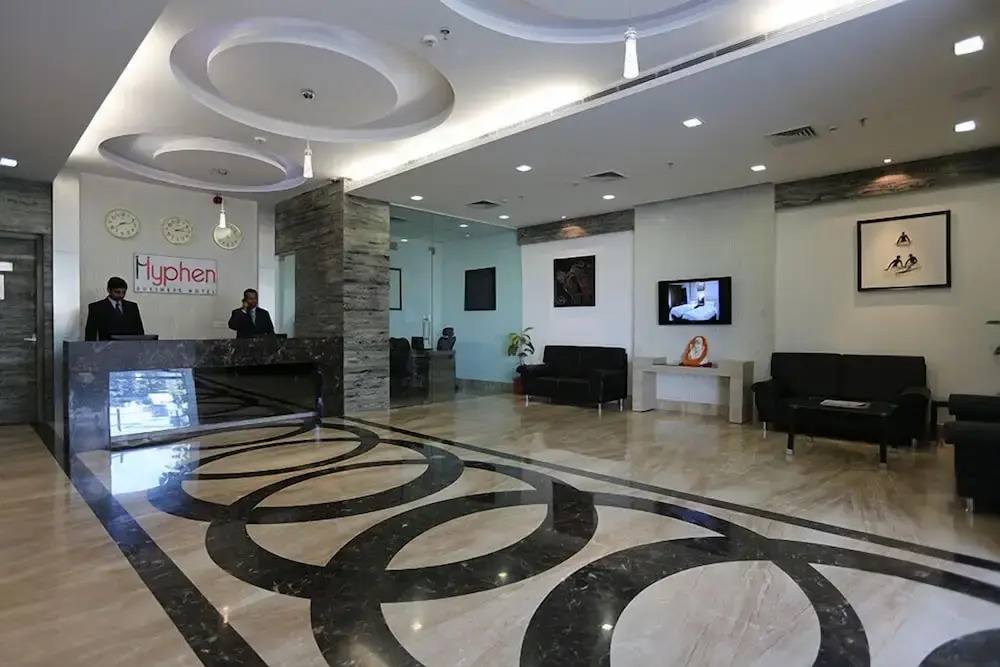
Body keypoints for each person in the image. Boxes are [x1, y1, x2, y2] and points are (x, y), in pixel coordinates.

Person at [84, 276, 145, 341]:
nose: (121, 295)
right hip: (107, 346)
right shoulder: (96, 308)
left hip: (130, 345)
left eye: (124, 292)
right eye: (117, 292)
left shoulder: (132, 307)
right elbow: (90, 334)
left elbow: (140, 332)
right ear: (108, 290)